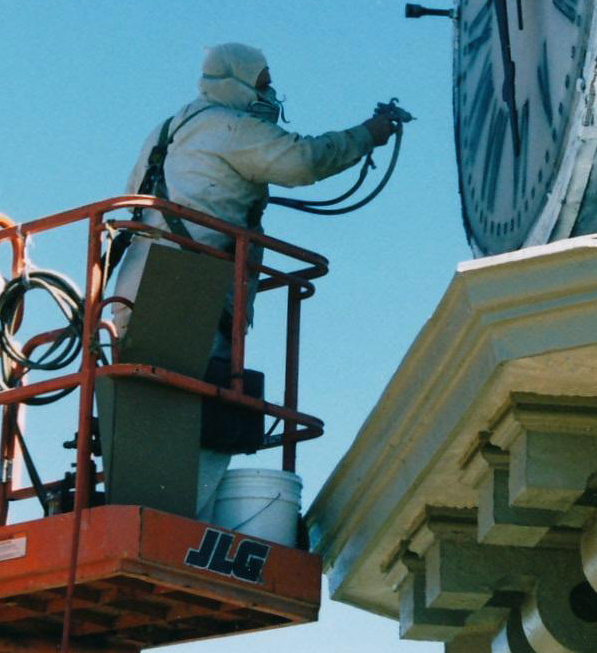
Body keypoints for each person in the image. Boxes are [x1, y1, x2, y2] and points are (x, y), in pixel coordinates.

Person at [108, 42, 396, 516]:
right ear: (237, 81)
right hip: (186, 286)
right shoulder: (230, 127)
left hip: (138, 283)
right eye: (262, 84)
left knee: (147, 408)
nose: (269, 94)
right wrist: (369, 134)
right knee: (197, 409)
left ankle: (140, 514)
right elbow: (303, 160)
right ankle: (172, 525)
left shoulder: (170, 128)